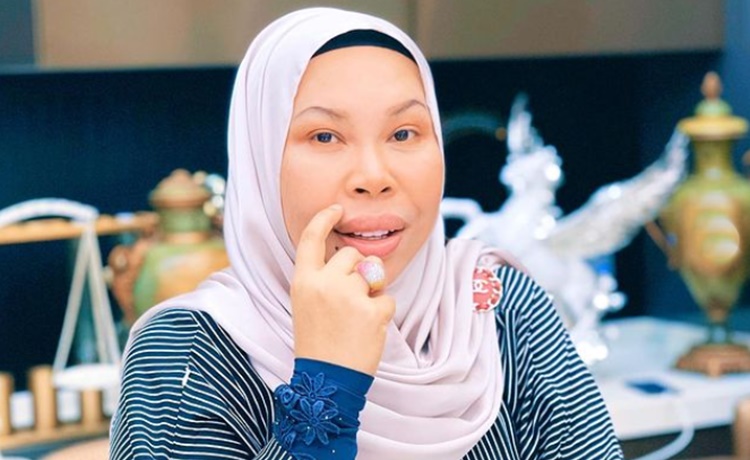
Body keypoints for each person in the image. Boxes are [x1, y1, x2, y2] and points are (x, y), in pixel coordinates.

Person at [110, 7, 623, 460]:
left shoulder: (497, 307)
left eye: (403, 133)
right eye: (325, 136)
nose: (374, 177)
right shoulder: (187, 352)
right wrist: (328, 381)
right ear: (261, 162)